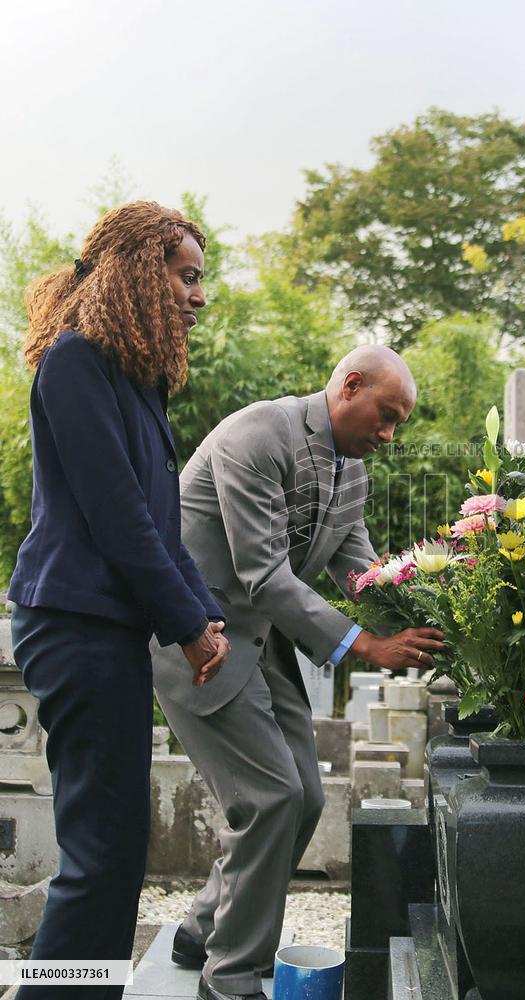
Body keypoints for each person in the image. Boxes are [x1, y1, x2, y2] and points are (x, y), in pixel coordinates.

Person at [152, 345, 444, 1000]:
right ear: (351, 384)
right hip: (202, 640)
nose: (390, 434)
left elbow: (361, 571)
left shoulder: (353, 472)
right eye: (386, 415)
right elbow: (262, 576)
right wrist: (367, 645)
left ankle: (200, 927)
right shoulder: (259, 434)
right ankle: (230, 977)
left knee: (306, 797)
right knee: (270, 798)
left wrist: (437, 613)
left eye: (399, 423)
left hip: (265, 645)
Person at [7, 201, 231, 999]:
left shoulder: (135, 384)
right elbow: (116, 517)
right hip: (71, 624)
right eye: (187, 275)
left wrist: (203, 615)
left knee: (114, 854)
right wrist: (186, 628)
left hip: (101, 630)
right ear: (140, 267)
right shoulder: (74, 363)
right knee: (100, 857)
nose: (199, 295)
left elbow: (159, 524)